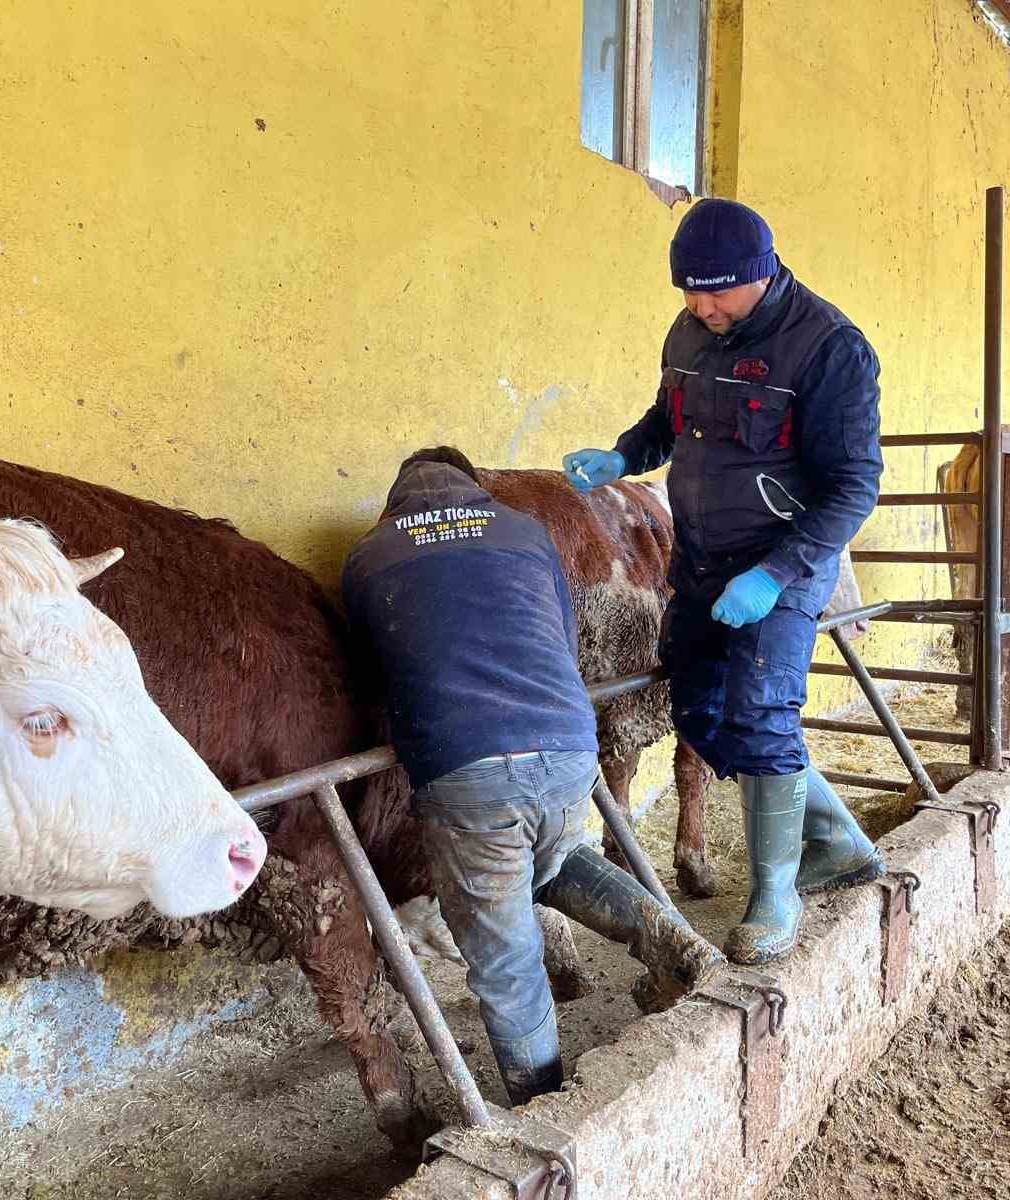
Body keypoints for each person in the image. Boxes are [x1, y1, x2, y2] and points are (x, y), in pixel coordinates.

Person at [342, 447, 724, 1106]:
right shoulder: (524, 532)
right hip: (567, 744)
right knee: (556, 861)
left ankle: (542, 1099)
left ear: (398, 499)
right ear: (475, 488)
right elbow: (555, 626)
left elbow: (376, 666)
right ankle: (666, 936)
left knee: (504, 958)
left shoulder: (368, 558)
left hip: (470, 769)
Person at [562, 198, 885, 965]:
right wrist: (623, 456)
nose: (701, 306)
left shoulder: (830, 347)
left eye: (717, 292)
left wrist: (775, 576)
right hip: (701, 559)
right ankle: (835, 838)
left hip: (785, 562)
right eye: (688, 291)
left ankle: (776, 895)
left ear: (763, 274)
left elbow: (855, 486)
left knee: (764, 714)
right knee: (699, 710)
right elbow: (667, 420)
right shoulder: (690, 331)